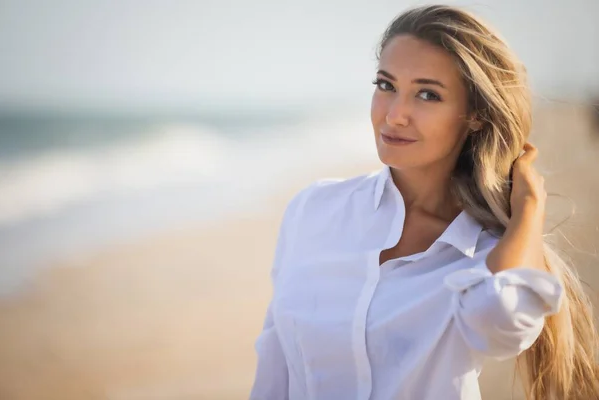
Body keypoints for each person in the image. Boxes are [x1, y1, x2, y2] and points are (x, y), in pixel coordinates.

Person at [249, 5, 599, 400]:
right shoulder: (312, 211)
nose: (395, 115)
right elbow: (274, 367)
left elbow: (501, 324)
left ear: (476, 116)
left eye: (427, 94)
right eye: (386, 85)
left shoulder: (488, 251)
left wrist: (530, 208)